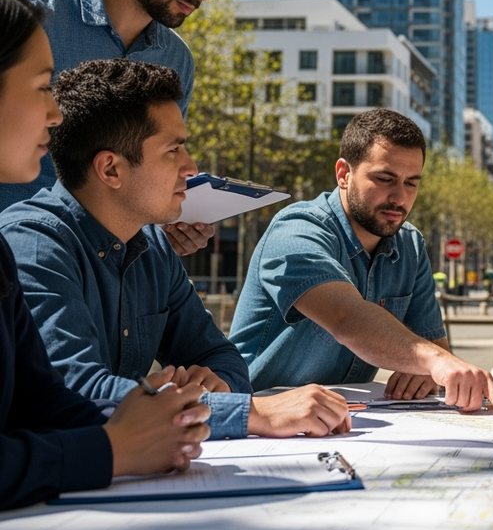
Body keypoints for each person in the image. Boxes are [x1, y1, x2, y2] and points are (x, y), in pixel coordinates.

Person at [0, 58, 352, 441]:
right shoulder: (33, 247)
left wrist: (215, 386)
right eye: (174, 151)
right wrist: (249, 413)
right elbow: (77, 391)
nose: (191, 166)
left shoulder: (153, 246)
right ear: (111, 169)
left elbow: (223, 358)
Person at [0, 0, 210, 510]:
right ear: (110, 168)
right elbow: (74, 390)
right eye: (42, 88)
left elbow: (45, 398)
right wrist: (112, 449)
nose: (55, 115)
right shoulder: (29, 239)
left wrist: (162, 421)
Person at [1, 0, 258, 258]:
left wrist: (167, 224)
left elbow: (149, 172)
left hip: (109, 268)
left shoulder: (177, 61)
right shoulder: (31, 20)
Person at [230, 109, 493, 415]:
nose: (400, 198)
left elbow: (434, 349)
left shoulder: (410, 245)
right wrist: (433, 361)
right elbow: (347, 318)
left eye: (412, 183)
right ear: (343, 174)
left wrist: (429, 366)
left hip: (345, 422)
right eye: (385, 178)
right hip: (255, 420)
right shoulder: (296, 229)